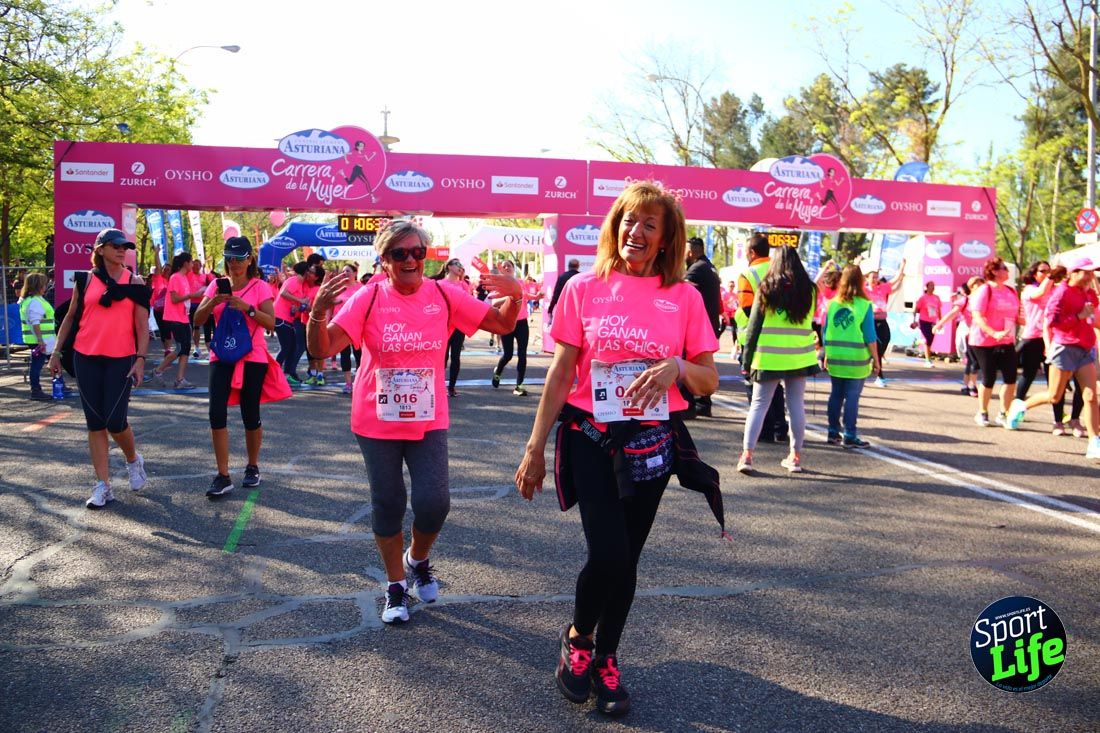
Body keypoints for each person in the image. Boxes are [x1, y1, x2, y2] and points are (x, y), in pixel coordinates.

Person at [515, 181, 719, 717]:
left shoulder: (684, 298)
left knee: (626, 561)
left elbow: (709, 379)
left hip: (652, 442)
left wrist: (679, 367)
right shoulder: (583, 287)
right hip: (589, 434)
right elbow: (561, 372)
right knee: (606, 552)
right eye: (629, 220)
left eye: (650, 224)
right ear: (615, 225)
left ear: (665, 238)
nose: (637, 231)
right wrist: (535, 446)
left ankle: (607, 658)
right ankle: (578, 641)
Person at [306, 221, 523, 625]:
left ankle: (417, 558)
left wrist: (516, 295)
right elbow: (322, 348)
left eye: (417, 252)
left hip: (427, 419)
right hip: (376, 419)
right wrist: (317, 313)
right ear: (384, 260)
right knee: (388, 504)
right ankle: (395, 587)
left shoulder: (444, 293)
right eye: (399, 254)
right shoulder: (368, 298)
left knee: (434, 503)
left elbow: (502, 324)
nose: (410, 260)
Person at [48, 229, 150, 508]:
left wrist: (141, 359)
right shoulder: (85, 279)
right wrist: (56, 352)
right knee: (95, 423)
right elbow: (69, 319)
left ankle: (133, 460)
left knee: (115, 421)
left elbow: (142, 326)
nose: (121, 250)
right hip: (86, 357)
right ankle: (103, 485)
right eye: (115, 246)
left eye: (125, 246)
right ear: (101, 249)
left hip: (122, 358)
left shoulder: (136, 282)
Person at [193, 237, 287, 498]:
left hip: (252, 356)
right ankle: (223, 475)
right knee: (215, 413)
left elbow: (271, 323)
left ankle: (252, 466)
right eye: (230, 258)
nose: (234, 263)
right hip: (221, 354)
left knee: (250, 413)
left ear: (250, 260)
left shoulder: (259, 287)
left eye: (239, 258)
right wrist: (213, 302)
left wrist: (248, 308)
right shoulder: (216, 285)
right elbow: (197, 320)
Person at [1005, 255, 1100, 459]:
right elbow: (1054, 322)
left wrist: (1089, 315)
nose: (1090, 276)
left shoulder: (1090, 292)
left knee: (1091, 396)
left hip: (1085, 347)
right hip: (1064, 347)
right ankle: (1020, 406)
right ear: (1074, 273)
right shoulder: (1061, 293)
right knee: (1054, 396)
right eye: (1087, 272)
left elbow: (1095, 316)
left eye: (1093, 272)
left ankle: (1094, 442)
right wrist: (1078, 316)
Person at [738, 246, 819, 474]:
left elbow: (753, 327)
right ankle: (795, 456)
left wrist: (746, 361)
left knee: (759, 405)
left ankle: (747, 455)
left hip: (769, 357)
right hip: (799, 357)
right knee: (796, 406)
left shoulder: (766, 288)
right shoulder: (810, 290)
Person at [735, 233, 787, 441]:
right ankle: (780, 428)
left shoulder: (748, 274)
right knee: (776, 388)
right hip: (782, 339)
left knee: (756, 388)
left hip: (754, 339)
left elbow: (747, 308)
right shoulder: (782, 272)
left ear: (752, 252)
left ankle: (763, 432)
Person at [823, 265, 880, 448]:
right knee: (852, 396)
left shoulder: (833, 303)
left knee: (836, 395)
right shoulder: (864, 305)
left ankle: (833, 432)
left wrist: (825, 353)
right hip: (856, 358)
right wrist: (877, 360)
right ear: (861, 281)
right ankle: (849, 434)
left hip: (835, 355)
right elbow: (870, 336)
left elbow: (826, 331)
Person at [969, 257, 1023, 427]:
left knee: (1010, 378)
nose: (1007, 271)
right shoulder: (985, 290)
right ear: (994, 271)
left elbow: (1016, 316)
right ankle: (983, 412)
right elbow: (977, 316)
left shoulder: (1011, 291)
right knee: (989, 377)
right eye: (1004, 268)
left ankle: (1003, 413)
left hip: (1006, 340)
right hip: (984, 341)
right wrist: (993, 332)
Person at [149, 252, 203, 389]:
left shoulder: (184, 277)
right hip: (174, 318)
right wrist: (192, 295)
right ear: (185, 263)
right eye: (191, 262)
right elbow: (174, 299)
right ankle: (158, 371)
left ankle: (180, 380)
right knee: (180, 348)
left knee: (185, 349)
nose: (193, 264)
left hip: (183, 317)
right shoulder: (175, 277)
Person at [1013, 261, 1056, 426]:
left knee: (1054, 381)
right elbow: (1040, 293)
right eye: (1043, 271)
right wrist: (1051, 277)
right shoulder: (1029, 289)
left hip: (1052, 338)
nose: (1047, 274)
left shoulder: (1054, 289)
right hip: (1033, 337)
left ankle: (1058, 419)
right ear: (1034, 273)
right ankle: (1016, 407)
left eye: (1049, 271)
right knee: (1028, 375)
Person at [684, 236, 722, 417]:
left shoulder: (696, 270)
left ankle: (690, 405)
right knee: (703, 363)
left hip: (700, 325)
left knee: (690, 363)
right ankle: (703, 404)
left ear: (690, 252)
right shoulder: (709, 267)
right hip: (710, 323)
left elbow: (681, 294)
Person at [934, 277, 985, 396]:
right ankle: (972, 385)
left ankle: (966, 385)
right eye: (977, 285)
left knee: (971, 361)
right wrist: (940, 324)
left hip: (982, 334)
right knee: (974, 361)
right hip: (970, 333)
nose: (981, 288)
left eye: (982, 285)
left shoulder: (985, 300)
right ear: (971, 287)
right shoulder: (965, 301)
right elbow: (953, 313)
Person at [491, 259, 532, 396]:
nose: (507, 267)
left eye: (509, 265)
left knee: (522, 354)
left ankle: (519, 386)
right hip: (506, 322)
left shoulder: (520, 283)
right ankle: (498, 371)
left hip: (521, 322)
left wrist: (537, 296)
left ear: (514, 268)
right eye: (504, 266)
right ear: (501, 270)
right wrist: (510, 296)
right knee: (508, 354)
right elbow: (494, 302)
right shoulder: (499, 284)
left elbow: (526, 297)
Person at [864, 262, 905, 387]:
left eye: (877, 277)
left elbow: (895, 280)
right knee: (874, 346)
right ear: (867, 278)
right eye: (873, 277)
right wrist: (860, 264)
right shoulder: (864, 289)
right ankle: (879, 376)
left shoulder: (882, 288)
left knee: (885, 341)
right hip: (870, 321)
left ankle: (874, 360)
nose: (875, 279)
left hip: (882, 320)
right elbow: (856, 279)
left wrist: (902, 267)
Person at [273, 261, 313, 386]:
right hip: (280, 317)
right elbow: (283, 293)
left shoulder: (301, 284)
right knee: (287, 348)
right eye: (310, 271)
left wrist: (298, 307)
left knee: (291, 347)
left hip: (287, 318)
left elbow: (292, 303)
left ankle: (289, 374)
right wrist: (300, 300)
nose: (311, 274)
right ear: (305, 272)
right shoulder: (295, 280)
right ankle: (273, 374)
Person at [18, 272, 55, 400]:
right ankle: (36, 390)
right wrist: (40, 340)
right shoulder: (35, 301)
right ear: (39, 286)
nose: (46, 286)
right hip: (40, 340)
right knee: (37, 365)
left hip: (40, 339)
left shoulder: (32, 300)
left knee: (49, 362)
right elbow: (35, 322)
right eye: (44, 284)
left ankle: (57, 384)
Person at [436, 259, 469, 397]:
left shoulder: (464, 285)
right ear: (449, 267)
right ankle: (438, 386)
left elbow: (468, 303)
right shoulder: (439, 284)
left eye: (461, 265)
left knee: (456, 356)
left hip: (458, 326)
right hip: (443, 325)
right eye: (457, 264)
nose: (460, 267)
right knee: (442, 357)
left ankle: (452, 387)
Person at [333, 263, 363, 395]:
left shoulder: (361, 288)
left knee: (359, 355)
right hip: (341, 326)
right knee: (344, 355)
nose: (345, 273)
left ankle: (359, 382)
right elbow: (330, 306)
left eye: (348, 271)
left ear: (355, 273)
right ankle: (348, 383)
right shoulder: (338, 288)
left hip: (358, 326)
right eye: (343, 271)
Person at [913, 281, 942, 367]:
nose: (932, 287)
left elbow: (939, 310)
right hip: (923, 321)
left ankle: (918, 342)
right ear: (927, 287)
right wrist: (914, 320)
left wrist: (940, 321)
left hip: (933, 322)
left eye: (933, 286)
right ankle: (927, 360)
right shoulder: (923, 298)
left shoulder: (937, 298)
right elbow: (916, 309)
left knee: (930, 340)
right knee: (928, 338)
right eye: (931, 286)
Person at [547, 258, 581, 323]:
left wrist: (550, 309)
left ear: (568, 266)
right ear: (578, 266)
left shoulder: (562, 277)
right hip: (577, 309)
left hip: (564, 308)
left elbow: (556, 294)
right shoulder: (581, 277)